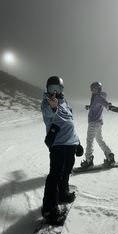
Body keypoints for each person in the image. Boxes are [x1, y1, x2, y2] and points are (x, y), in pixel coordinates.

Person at [41, 76, 83, 225]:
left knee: (66, 170)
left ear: (62, 90)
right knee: (55, 174)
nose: (54, 92)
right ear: (47, 89)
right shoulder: (47, 103)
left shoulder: (65, 102)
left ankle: (63, 193)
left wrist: (77, 143)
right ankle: (49, 208)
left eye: (57, 89)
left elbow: (71, 122)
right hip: (58, 143)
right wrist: (53, 107)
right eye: (51, 88)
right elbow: (48, 114)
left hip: (70, 143)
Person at [81, 81, 118, 168]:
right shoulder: (96, 97)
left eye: (95, 89)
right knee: (99, 140)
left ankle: (88, 160)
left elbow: (104, 103)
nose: (93, 91)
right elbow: (96, 105)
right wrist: (89, 107)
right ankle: (110, 156)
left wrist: (110, 106)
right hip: (98, 122)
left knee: (89, 141)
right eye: (92, 89)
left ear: (99, 89)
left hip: (93, 123)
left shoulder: (98, 97)